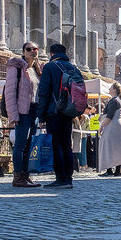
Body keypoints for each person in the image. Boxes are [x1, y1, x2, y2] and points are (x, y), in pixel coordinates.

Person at [35, 42, 84, 188]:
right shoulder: (74, 68)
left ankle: (61, 178)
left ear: (51, 54)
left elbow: (43, 92)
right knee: (66, 145)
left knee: (56, 144)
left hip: (54, 111)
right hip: (68, 111)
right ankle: (68, 178)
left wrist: (41, 115)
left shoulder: (50, 67)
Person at [5, 41, 43, 188]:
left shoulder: (36, 69)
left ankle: (26, 175)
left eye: (35, 49)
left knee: (29, 145)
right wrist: (13, 115)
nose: (32, 51)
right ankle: (18, 176)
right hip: (22, 111)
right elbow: (10, 92)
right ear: (23, 51)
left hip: (34, 110)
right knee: (20, 145)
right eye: (29, 49)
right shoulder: (16, 67)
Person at [97, 81, 121, 177]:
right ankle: (118, 170)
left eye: (110, 88)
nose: (109, 89)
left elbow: (109, 117)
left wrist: (101, 126)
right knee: (118, 148)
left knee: (107, 147)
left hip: (113, 125)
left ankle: (109, 170)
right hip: (120, 125)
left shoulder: (114, 101)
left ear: (114, 90)